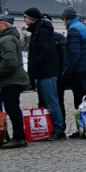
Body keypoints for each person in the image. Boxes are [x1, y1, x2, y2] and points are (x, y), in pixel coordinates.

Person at [22, 8, 66, 139]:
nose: (24, 19)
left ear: (32, 18)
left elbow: (46, 51)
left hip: (47, 72)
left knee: (52, 101)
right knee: (49, 101)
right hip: (44, 72)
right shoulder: (39, 30)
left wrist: (36, 63)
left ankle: (59, 129)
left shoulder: (41, 31)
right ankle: (54, 128)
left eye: (26, 17)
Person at [0, 14, 31, 148]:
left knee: (12, 108)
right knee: (12, 108)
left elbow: (9, 62)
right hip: (10, 79)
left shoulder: (7, 39)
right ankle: (18, 136)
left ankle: (19, 137)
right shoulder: (5, 38)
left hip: (11, 80)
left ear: (6, 25)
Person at [61, 6, 86, 134]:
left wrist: (68, 72)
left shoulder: (73, 30)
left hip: (79, 71)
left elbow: (73, 54)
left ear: (66, 18)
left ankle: (83, 127)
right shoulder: (83, 28)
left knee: (80, 100)